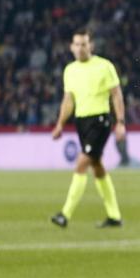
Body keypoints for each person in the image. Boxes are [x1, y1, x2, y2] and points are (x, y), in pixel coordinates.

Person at [50, 30, 126, 229]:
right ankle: (114, 216)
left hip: (100, 120)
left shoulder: (104, 66)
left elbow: (116, 95)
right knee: (97, 166)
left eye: (84, 44)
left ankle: (64, 214)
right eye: (77, 44)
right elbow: (69, 100)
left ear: (91, 46)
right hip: (81, 122)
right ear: (71, 47)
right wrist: (60, 124)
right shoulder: (70, 70)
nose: (80, 48)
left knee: (81, 163)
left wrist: (120, 121)